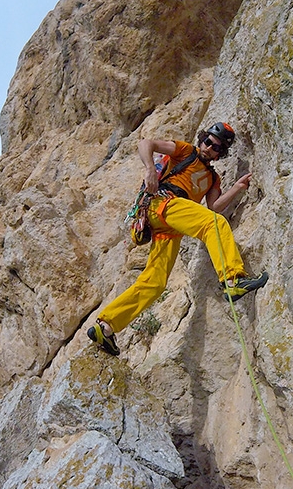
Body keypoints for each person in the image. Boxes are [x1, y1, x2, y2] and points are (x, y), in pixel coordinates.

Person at [87, 122, 268, 356]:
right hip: (163, 204)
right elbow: (146, 143)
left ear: (219, 154)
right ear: (202, 139)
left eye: (216, 148)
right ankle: (233, 279)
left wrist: (237, 188)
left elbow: (214, 206)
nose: (209, 148)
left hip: (169, 225)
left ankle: (106, 326)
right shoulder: (186, 152)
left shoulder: (213, 179)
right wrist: (149, 169)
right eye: (208, 142)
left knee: (155, 282)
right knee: (213, 225)